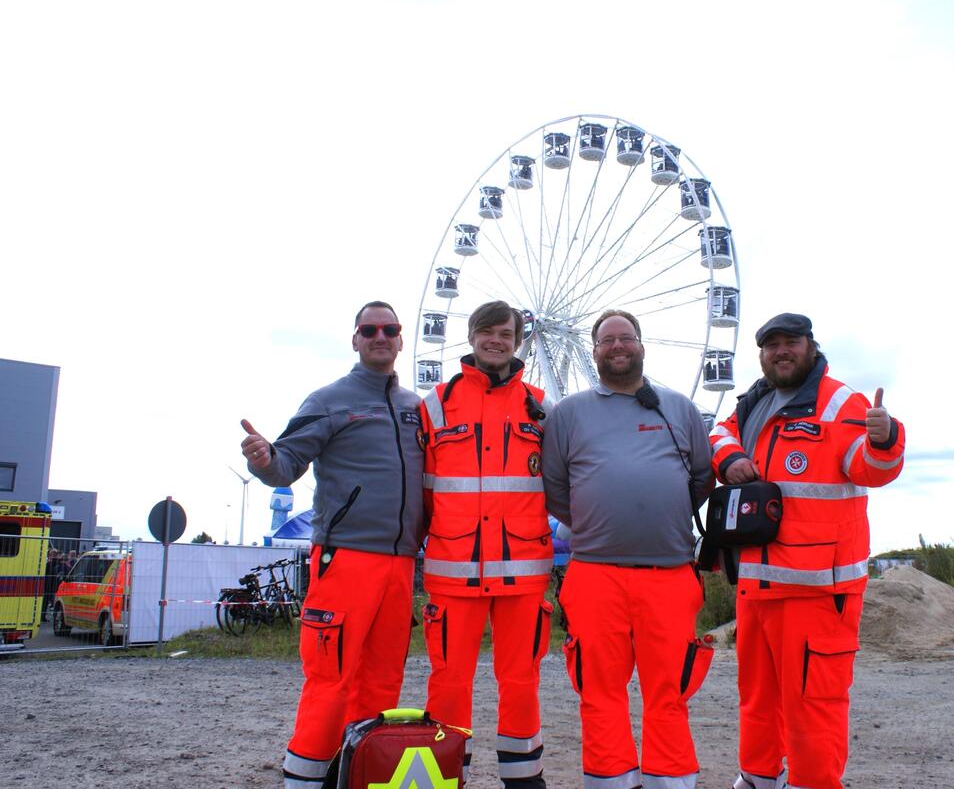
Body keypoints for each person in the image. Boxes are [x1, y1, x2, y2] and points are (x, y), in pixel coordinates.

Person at [708, 313, 906, 789]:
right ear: (761, 354)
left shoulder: (841, 403)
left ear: (810, 347)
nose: (781, 351)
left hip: (817, 590)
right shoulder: (754, 402)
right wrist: (731, 458)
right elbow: (718, 433)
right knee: (757, 698)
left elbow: (870, 468)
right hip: (756, 586)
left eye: (791, 342)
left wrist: (884, 438)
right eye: (771, 344)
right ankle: (758, 778)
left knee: (814, 704)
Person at [240, 300, 425, 789]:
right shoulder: (327, 400)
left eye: (389, 328)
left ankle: (357, 776)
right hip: (345, 559)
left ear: (401, 338)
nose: (380, 336)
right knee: (331, 681)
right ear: (355, 339)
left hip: (402, 565)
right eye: (369, 330)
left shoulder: (417, 409)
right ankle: (303, 780)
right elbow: (285, 465)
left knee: (383, 683)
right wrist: (263, 460)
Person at [541, 309, 714, 789]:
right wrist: (602, 522)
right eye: (606, 341)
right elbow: (555, 487)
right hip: (595, 573)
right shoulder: (568, 414)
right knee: (599, 690)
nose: (617, 347)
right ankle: (610, 780)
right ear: (594, 350)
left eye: (626, 338)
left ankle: (671, 781)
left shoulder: (678, 408)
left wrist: (654, 514)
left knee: (670, 689)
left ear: (641, 345)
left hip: (671, 574)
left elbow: (701, 477)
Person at [418, 300, 553, 789]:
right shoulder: (433, 405)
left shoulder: (540, 405)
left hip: (523, 569)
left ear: (518, 341)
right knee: (450, 681)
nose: (496, 340)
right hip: (454, 569)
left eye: (506, 333)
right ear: (471, 337)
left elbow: (560, 484)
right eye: (487, 331)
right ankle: (446, 774)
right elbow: (421, 491)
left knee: (521, 681)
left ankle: (523, 778)